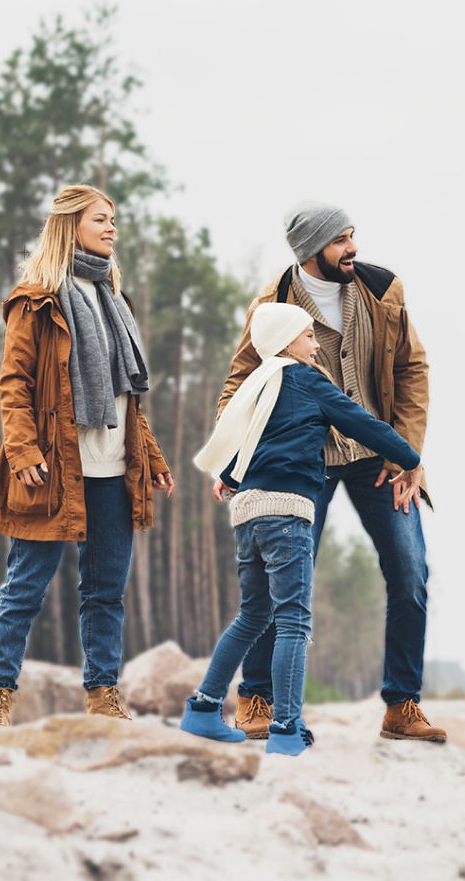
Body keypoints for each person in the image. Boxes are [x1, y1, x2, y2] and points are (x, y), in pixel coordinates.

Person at [216, 201, 447, 744]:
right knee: (279, 582)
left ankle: (402, 706)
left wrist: (406, 452)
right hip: (300, 465)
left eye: (352, 236)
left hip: (379, 460)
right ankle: (257, 700)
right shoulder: (271, 304)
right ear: (310, 248)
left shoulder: (382, 291)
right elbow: (240, 385)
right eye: (342, 240)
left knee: (411, 571)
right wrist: (233, 458)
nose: (354, 248)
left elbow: (412, 369)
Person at [179, 302, 422, 755]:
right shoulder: (305, 380)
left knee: (253, 616)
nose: (316, 345)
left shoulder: (258, 385)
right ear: (287, 341)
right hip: (287, 514)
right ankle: (287, 728)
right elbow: (362, 423)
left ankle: (204, 709)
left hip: (248, 512)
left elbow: (248, 440)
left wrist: (231, 475)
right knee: (292, 619)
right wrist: (411, 459)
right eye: (309, 336)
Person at [0, 184, 174, 726]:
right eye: (101, 219)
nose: (112, 228)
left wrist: (151, 455)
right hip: (51, 468)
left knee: (106, 592)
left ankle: (102, 694)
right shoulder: (36, 298)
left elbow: (126, 396)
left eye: (114, 219)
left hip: (114, 467)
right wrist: (21, 450)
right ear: (71, 226)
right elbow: (14, 382)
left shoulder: (114, 298)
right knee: (25, 590)